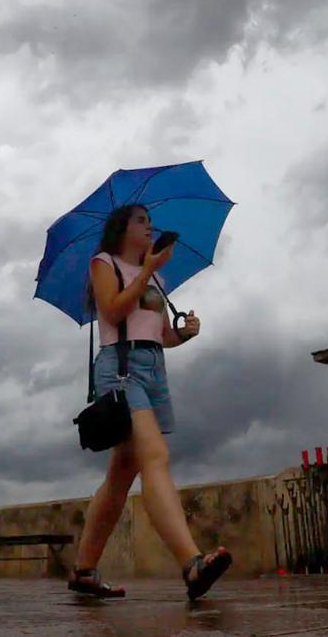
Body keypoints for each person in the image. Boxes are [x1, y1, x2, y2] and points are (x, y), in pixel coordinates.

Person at [69, 203, 232, 600]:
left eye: (150, 221)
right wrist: (144, 271)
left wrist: (185, 334)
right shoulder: (103, 263)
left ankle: (84, 571)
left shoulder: (155, 278)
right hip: (120, 367)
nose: (149, 227)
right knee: (154, 456)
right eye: (141, 220)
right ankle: (191, 564)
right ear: (121, 228)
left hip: (153, 367)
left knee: (122, 474)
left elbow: (160, 335)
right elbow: (111, 310)